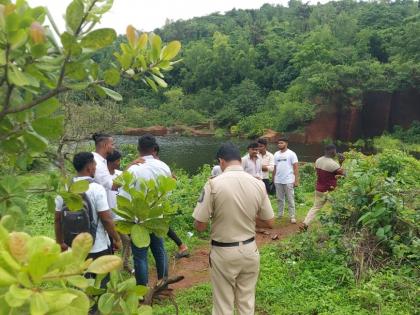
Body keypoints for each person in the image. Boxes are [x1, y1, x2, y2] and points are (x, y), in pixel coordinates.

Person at [193, 143, 275, 315]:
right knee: (246, 302)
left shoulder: (213, 184)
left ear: (221, 162)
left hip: (223, 252)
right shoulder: (258, 184)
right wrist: (248, 218)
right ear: (240, 160)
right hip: (250, 250)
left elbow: (200, 225)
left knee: (223, 305)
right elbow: (270, 222)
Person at [54, 152, 122, 266]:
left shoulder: (66, 189)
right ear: (89, 168)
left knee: (81, 282)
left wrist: (60, 242)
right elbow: (106, 219)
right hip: (98, 247)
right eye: (95, 164)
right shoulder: (97, 188)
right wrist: (117, 239)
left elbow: (57, 219)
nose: (96, 167)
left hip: (75, 247)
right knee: (102, 282)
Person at [125, 134, 170, 286]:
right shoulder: (164, 166)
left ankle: (142, 292)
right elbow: (167, 192)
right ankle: (163, 284)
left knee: (140, 257)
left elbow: (126, 196)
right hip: (157, 216)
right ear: (155, 149)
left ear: (139, 149)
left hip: (138, 220)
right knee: (159, 251)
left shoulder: (133, 169)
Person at [302, 144, 345, 230]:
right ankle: (339, 226)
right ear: (332, 151)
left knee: (315, 207)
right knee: (338, 207)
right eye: (335, 151)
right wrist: (341, 162)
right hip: (330, 190)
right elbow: (344, 174)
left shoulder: (318, 160)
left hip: (319, 189)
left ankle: (305, 223)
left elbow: (329, 173)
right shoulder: (333, 164)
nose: (336, 153)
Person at [106, 150, 134, 273]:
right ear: (110, 162)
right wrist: (131, 164)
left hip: (119, 216)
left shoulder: (120, 173)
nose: (119, 163)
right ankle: (108, 269)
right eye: (118, 160)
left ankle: (125, 264)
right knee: (109, 244)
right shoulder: (103, 177)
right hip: (107, 217)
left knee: (127, 241)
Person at [273, 137, 299, 223]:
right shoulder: (276, 154)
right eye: (279, 143)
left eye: (281, 143)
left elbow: (295, 167)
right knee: (279, 199)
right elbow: (275, 167)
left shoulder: (291, 154)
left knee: (290, 198)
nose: (279, 144)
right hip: (278, 180)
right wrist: (273, 178)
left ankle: (292, 216)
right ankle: (280, 214)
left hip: (288, 180)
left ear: (286, 144)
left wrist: (296, 180)